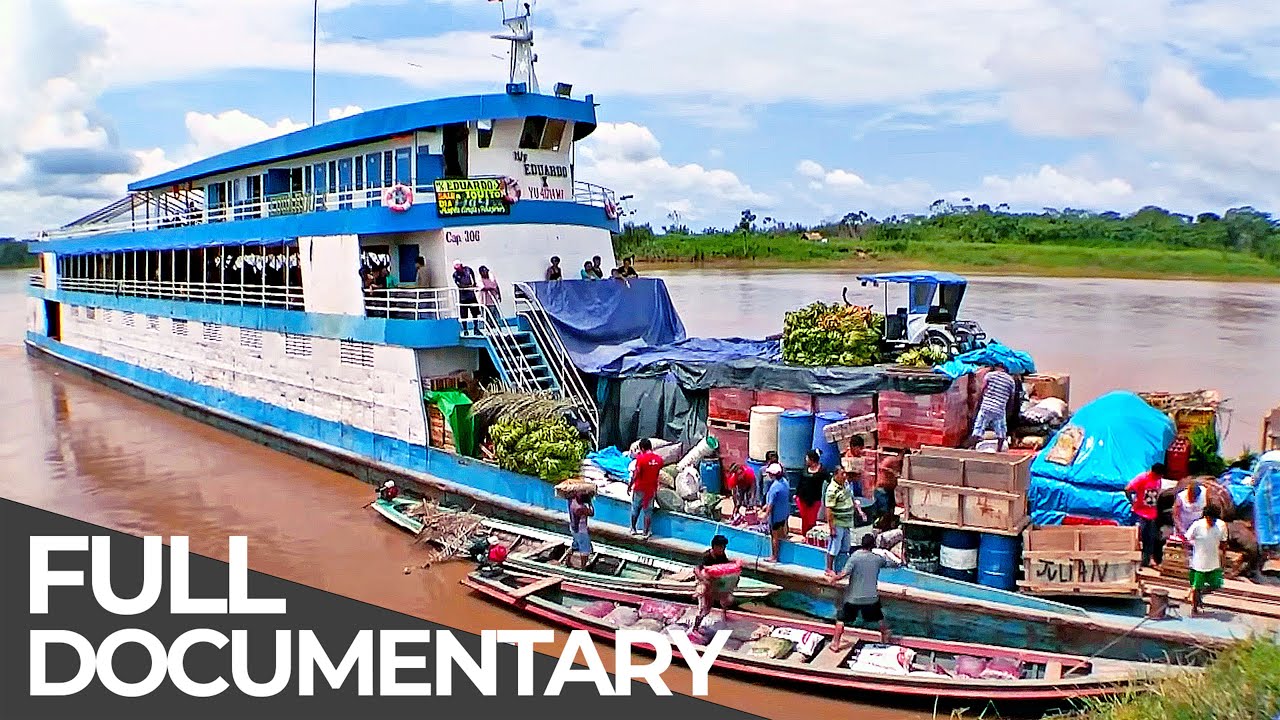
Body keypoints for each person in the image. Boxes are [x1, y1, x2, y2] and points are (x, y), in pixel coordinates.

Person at [828, 532, 901, 649]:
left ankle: (835, 644)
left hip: (854, 598)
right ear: (873, 546)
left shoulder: (855, 557)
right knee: (879, 618)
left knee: (841, 619)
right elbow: (891, 563)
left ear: (861, 544)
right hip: (871, 598)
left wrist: (834, 578)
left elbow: (844, 573)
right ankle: (885, 636)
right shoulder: (877, 559)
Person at [1185, 504, 1228, 616]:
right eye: (1209, 518)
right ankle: (1194, 608)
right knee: (1196, 586)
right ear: (1205, 517)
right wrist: (1189, 551)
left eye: (1214, 519)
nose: (1211, 521)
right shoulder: (1197, 525)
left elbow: (1223, 543)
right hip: (1199, 563)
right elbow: (1187, 538)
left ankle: (1199, 594)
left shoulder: (1221, 526)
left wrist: (1224, 557)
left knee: (1216, 584)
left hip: (1213, 562)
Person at [824, 467, 867, 575]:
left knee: (845, 547)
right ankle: (829, 568)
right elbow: (829, 510)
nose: (844, 476)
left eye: (845, 474)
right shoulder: (831, 490)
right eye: (842, 474)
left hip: (847, 522)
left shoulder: (846, 484)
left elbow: (851, 497)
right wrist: (832, 528)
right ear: (835, 475)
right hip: (838, 523)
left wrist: (860, 511)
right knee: (834, 547)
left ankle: (841, 568)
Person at [1126, 463, 1166, 568]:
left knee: (1151, 538)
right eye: (1159, 475)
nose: (1160, 478)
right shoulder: (1142, 478)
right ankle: (1138, 560)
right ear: (1154, 472)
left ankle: (1146, 561)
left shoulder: (1158, 481)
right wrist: (1132, 502)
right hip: (1141, 513)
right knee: (1141, 537)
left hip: (1152, 514)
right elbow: (1128, 489)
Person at [692, 535, 734, 628]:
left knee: (726, 599)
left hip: (715, 583)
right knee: (705, 607)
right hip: (704, 582)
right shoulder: (707, 556)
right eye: (721, 547)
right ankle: (696, 626)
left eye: (724, 547)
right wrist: (704, 580)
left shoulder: (722, 556)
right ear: (714, 546)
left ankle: (724, 616)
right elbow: (696, 569)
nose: (722, 549)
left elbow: (725, 568)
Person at [972, 364, 1016, 451]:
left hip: (986, 406)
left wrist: (978, 403)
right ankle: (999, 449)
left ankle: (974, 447)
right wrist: (1008, 411)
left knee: (978, 428)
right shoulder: (1011, 381)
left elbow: (982, 389)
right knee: (1001, 432)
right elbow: (1012, 398)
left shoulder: (990, 375)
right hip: (999, 408)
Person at [628, 438, 663, 538]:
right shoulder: (659, 459)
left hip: (639, 487)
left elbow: (636, 473)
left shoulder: (641, 459)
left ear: (642, 448)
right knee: (648, 511)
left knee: (635, 508)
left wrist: (630, 485)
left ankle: (633, 529)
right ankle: (646, 532)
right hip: (651, 489)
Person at [760, 463, 790, 563]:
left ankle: (774, 556)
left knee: (774, 536)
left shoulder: (774, 487)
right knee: (783, 534)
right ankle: (784, 554)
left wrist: (765, 514)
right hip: (784, 513)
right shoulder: (785, 482)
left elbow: (771, 504)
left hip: (776, 516)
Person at [796, 450, 829, 534]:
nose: (806, 460)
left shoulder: (822, 471)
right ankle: (804, 535)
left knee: (811, 520)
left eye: (807, 459)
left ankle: (811, 537)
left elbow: (829, 480)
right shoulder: (805, 469)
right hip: (802, 499)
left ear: (812, 459)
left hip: (814, 500)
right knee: (804, 519)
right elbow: (800, 482)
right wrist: (796, 494)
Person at [566, 490, 594, 569]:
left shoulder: (571, 500)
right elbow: (592, 513)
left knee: (575, 545)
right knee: (585, 551)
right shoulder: (580, 507)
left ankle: (567, 560)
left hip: (573, 528)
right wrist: (590, 503)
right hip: (581, 531)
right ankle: (583, 567)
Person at [452, 261, 480, 334]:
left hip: (471, 296)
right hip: (463, 297)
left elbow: (473, 278)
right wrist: (469, 286)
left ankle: (476, 328)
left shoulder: (468, 270)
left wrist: (474, 284)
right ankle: (465, 330)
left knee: (475, 313)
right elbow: (459, 285)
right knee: (464, 315)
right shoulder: (455, 275)